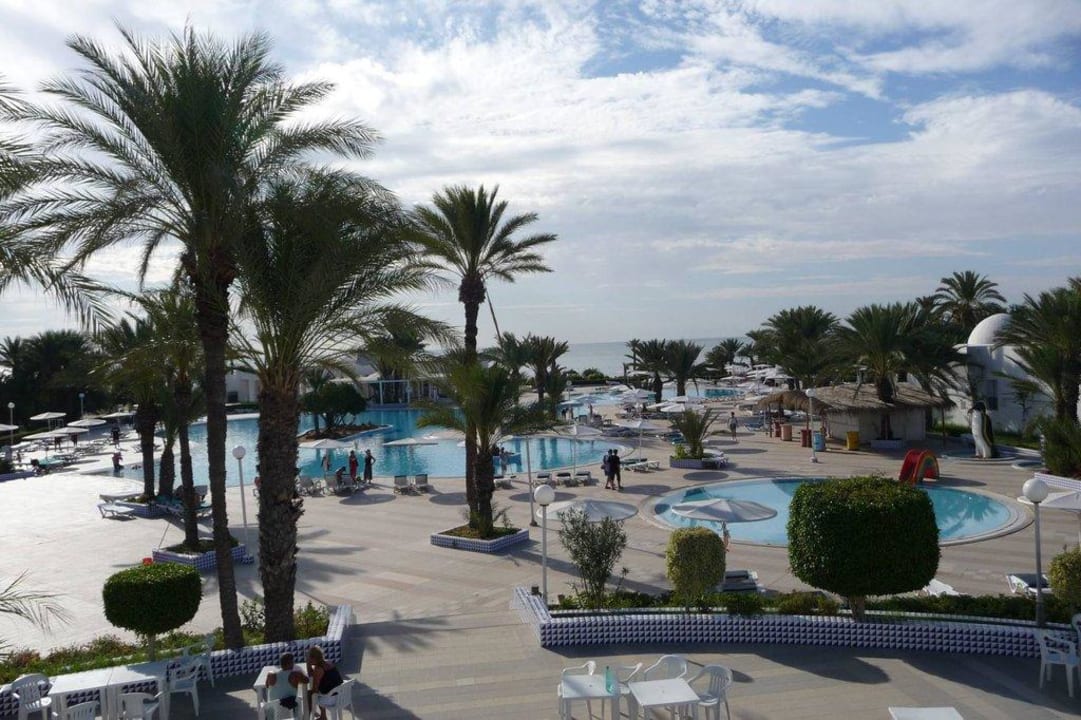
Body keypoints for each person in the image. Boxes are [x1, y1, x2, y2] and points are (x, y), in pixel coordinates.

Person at [306, 645, 344, 720]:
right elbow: (314, 674)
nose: (308, 659)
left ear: (313, 658)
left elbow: (315, 689)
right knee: (320, 692)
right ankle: (323, 716)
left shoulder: (318, 669)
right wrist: (309, 666)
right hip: (341, 696)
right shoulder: (329, 663)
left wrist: (310, 695)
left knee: (310, 694)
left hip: (331, 699)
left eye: (309, 657)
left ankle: (309, 716)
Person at [265, 651, 307, 715]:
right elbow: (307, 680)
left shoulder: (271, 674)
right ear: (291, 663)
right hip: (291, 712)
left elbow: (267, 686)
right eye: (293, 662)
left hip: (273, 714)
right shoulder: (295, 674)